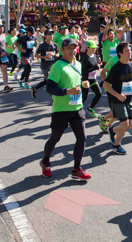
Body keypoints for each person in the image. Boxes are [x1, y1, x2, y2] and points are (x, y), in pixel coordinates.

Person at [41, 38, 91, 180]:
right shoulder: (58, 66)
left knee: (82, 138)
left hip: (77, 107)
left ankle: (77, 168)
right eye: (69, 48)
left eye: (74, 47)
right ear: (62, 50)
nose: (72, 50)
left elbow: (75, 82)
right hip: (61, 109)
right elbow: (50, 87)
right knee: (55, 138)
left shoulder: (78, 64)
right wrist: (67, 91)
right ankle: (45, 161)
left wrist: (83, 84)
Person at [103, 43, 132, 155]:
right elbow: (106, 85)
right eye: (127, 51)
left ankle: (112, 130)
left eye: (130, 50)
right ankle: (116, 146)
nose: (130, 52)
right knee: (124, 125)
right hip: (118, 100)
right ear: (120, 53)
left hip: (129, 100)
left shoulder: (131, 65)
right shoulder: (116, 68)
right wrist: (117, 95)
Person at [32, 29, 59, 98]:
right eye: (49, 34)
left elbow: (58, 53)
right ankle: (53, 98)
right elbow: (36, 55)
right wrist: (45, 57)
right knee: (50, 81)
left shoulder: (54, 44)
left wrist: (54, 55)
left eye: (52, 34)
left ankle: (35, 88)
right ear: (45, 36)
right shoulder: (42, 45)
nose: (51, 36)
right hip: (45, 66)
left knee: (46, 81)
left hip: (53, 65)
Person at [79, 40, 101, 117]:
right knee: (84, 97)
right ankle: (76, 111)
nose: (94, 49)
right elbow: (84, 71)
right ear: (88, 48)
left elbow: (95, 66)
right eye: (93, 48)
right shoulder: (85, 58)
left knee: (99, 94)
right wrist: (94, 68)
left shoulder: (94, 56)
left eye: (95, 48)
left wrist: (98, 66)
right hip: (86, 80)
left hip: (93, 79)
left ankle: (90, 108)